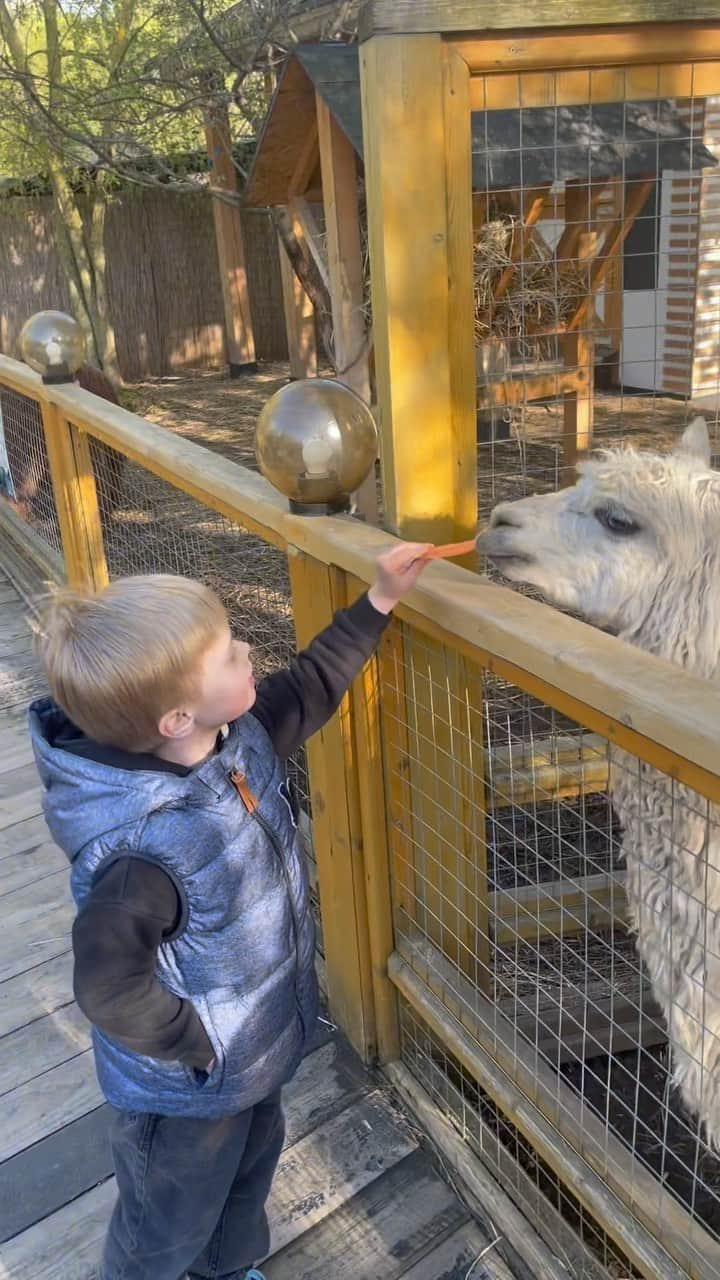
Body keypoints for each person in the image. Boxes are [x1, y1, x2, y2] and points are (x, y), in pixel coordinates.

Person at [29, 542, 429, 1280]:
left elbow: (310, 685)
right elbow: (109, 987)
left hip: (250, 1056)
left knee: (247, 1172)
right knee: (163, 1224)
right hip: (186, 1089)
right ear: (179, 716)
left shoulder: (232, 741)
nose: (247, 649)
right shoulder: (138, 854)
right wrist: (197, 1043)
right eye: (227, 653)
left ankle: (227, 1268)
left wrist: (379, 601)